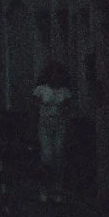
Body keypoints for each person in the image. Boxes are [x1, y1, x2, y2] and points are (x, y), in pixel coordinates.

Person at [31, 62, 74, 203]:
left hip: (59, 126)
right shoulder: (41, 90)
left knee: (59, 157)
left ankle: (58, 189)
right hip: (45, 126)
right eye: (53, 73)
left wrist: (68, 125)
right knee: (47, 157)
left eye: (58, 74)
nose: (55, 76)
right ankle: (44, 187)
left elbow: (68, 110)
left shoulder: (65, 92)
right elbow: (35, 109)